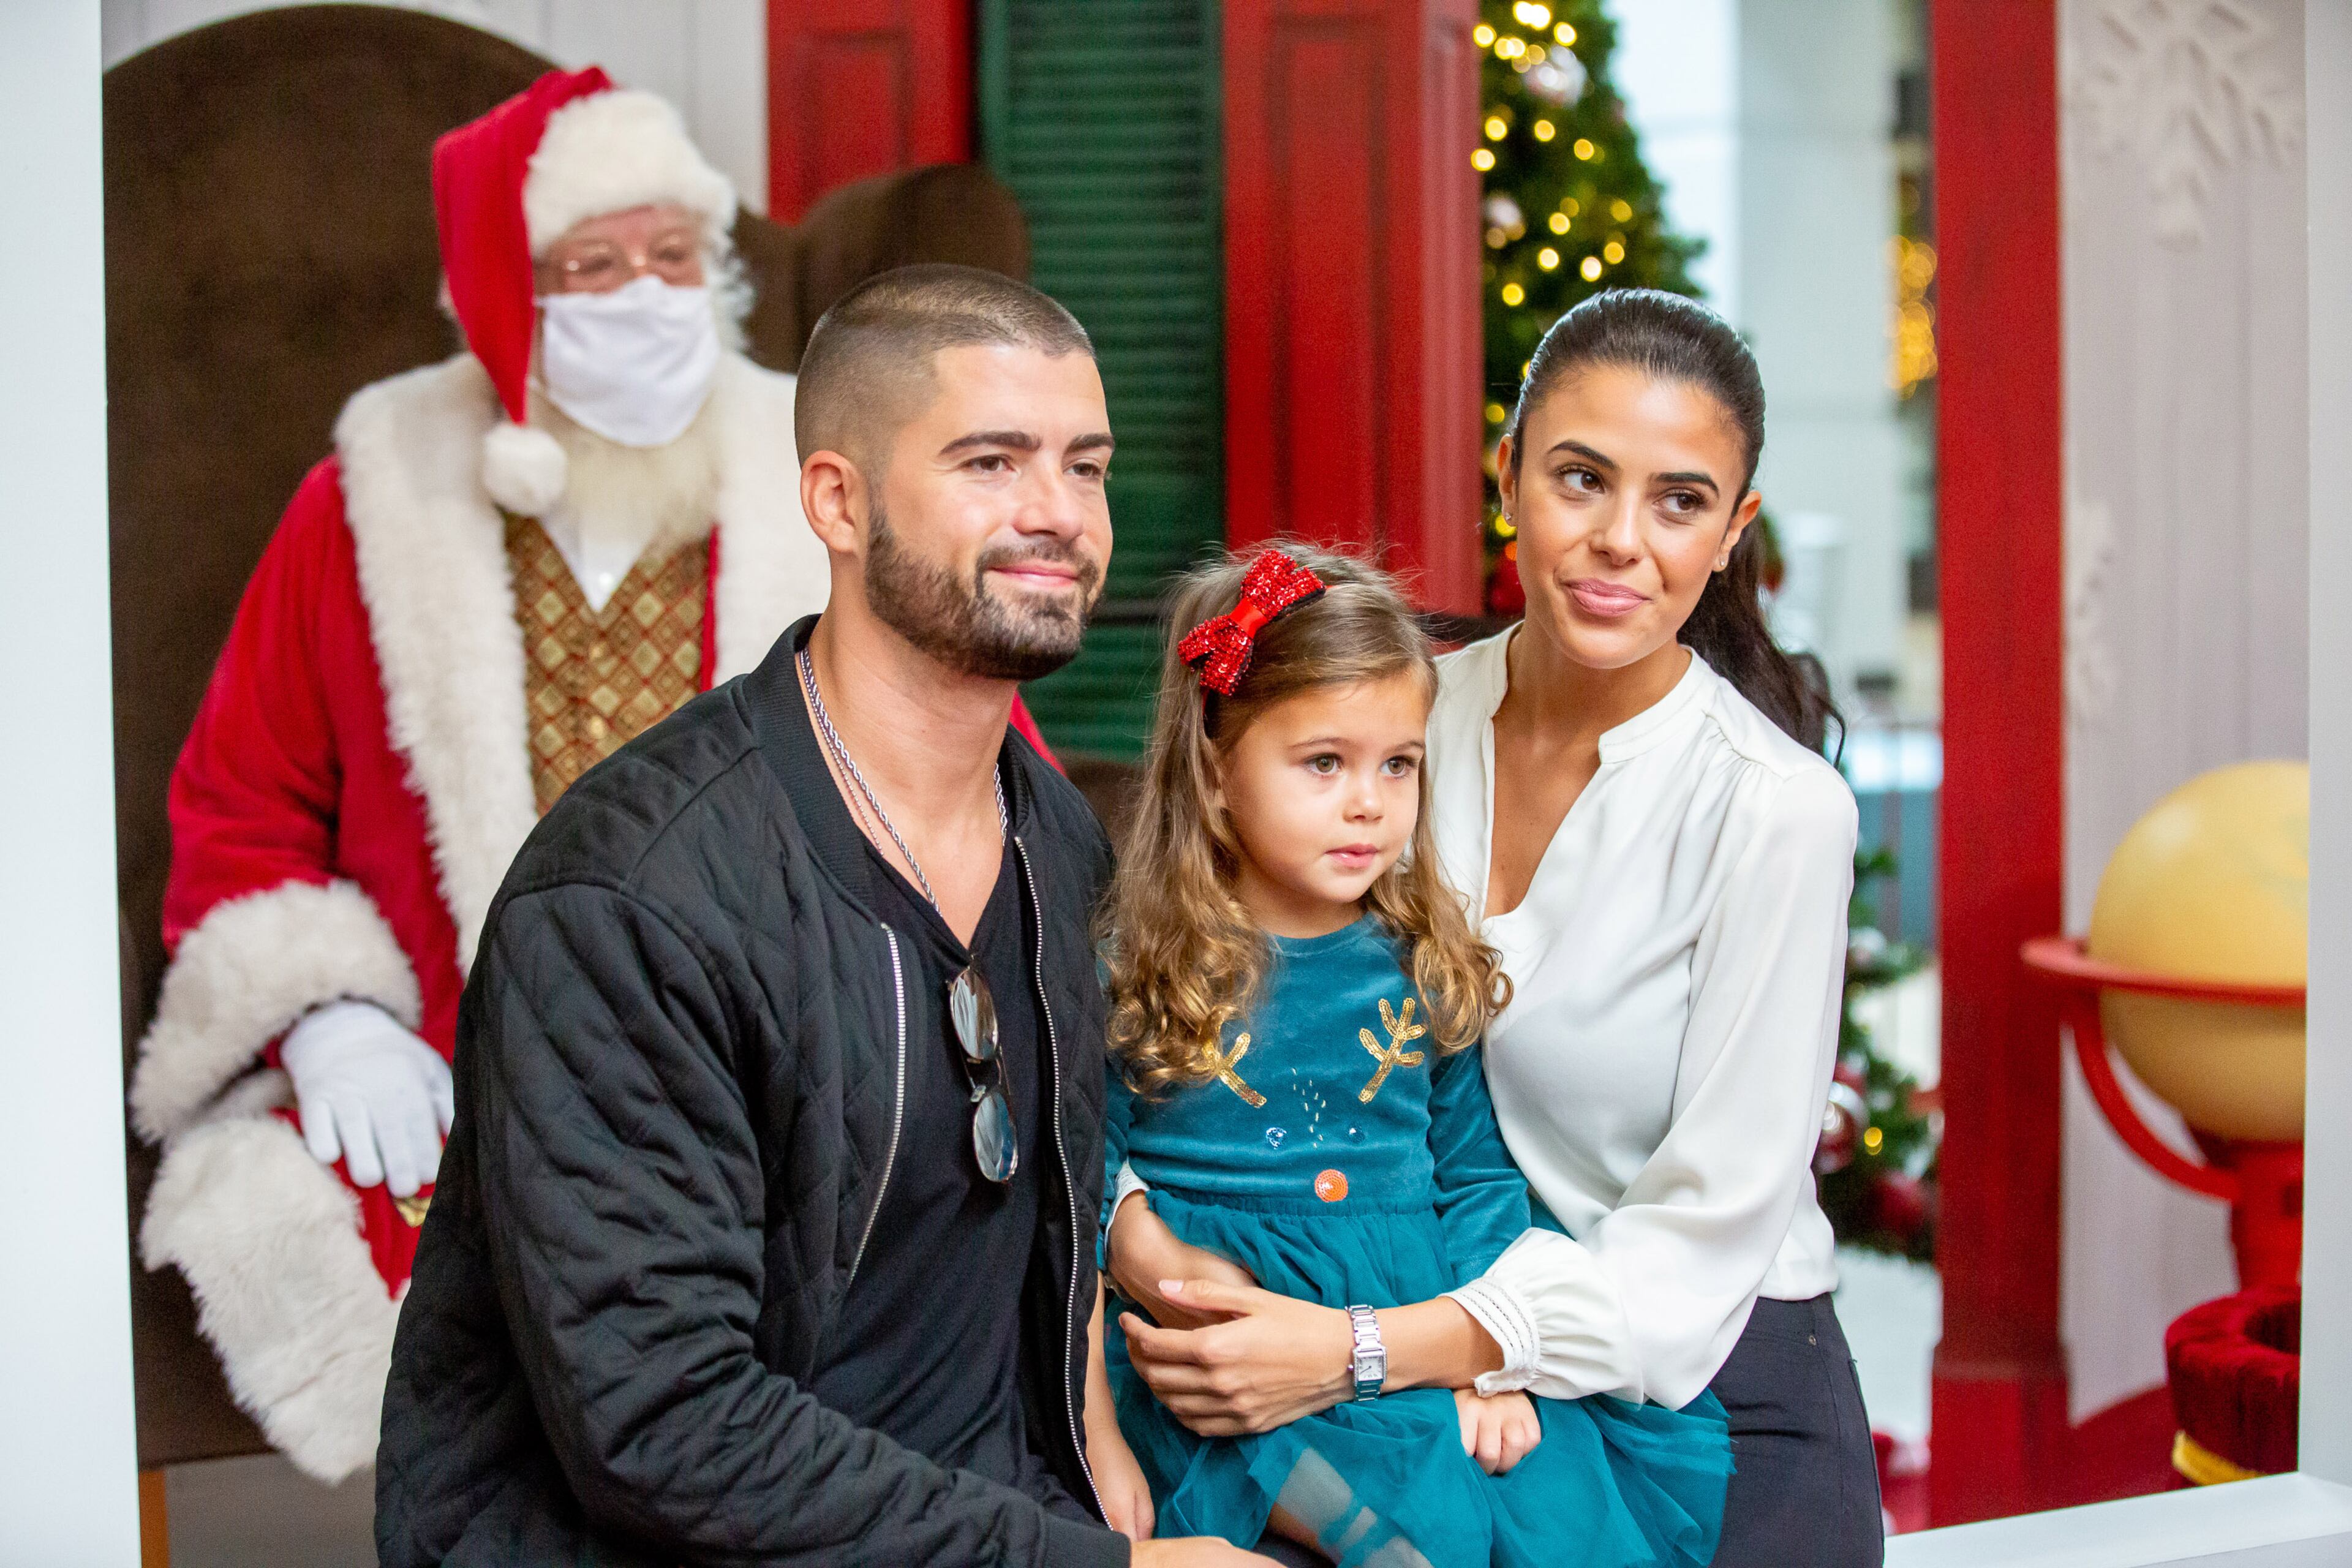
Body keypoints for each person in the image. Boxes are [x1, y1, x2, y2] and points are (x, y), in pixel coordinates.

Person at [375, 264, 1267, 1568]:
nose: (1058, 514)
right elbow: (663, 1424)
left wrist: (1091, 1438)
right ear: (837, 500)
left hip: (993, 1509)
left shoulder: (1057, 834)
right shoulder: (633, 900)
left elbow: (1045, 1200)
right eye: (990, 461)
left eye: (1086, 466)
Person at [126, 67, 836, 1481]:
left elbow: (960, 748)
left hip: (769, 1047)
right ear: (515, 298)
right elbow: (241, 795)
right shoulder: (374, 489)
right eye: (594, 267)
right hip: (467, 1062)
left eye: (672, 258)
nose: (645, 296)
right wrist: (325, 1017)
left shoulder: (815, 466)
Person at [1109, 290, 1879, 1565]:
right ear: (1508, 471)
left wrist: (1354, 1351)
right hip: (1371, 1336)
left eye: (1681, 501)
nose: (1621, 539)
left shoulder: (1777, 810)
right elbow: (1173, 998)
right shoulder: (1394, 728)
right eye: (1582, 477)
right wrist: (1145, 1237)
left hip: (1694, 1370)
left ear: (1734, 532)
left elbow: (1696, 1248)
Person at [1088, 546, 1732, 1568]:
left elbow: (1473, 1176)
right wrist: (1102, 1420)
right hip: (1220, 1337)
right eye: (1323, 764)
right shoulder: (1145, 968)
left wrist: (1486, 1364)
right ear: (1216, 772)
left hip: (1399, 1325)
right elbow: (1080, 1187)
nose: (1369, 804)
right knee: (1409, 1541)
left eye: (1400, 763)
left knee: (1545, 1521)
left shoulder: (1421, 963)